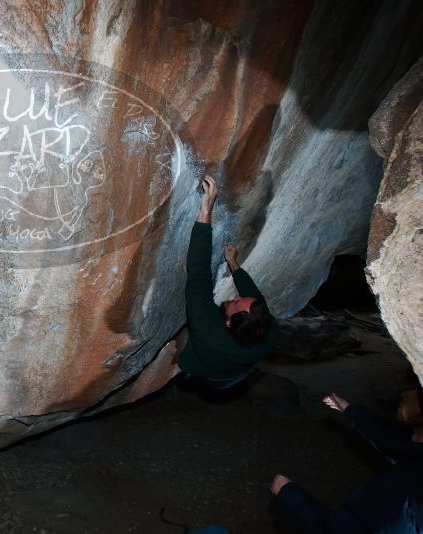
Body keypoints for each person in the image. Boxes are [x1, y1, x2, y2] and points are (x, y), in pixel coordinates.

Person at [271, 388, 423, 533]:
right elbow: (400, 444)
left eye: (418, 393)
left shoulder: (404, 494)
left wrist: (289, 494)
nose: (405, 393)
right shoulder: (416, 459)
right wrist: (352, 411)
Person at [176, 175, 278, 389]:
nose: (237, 296)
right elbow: (255, 299)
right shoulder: (268, 330)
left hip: (212, 374)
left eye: (235, 302)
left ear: (229, 323)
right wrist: (233, 264)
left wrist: (206, 210)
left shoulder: (207, 330)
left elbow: (198, 273)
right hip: (240, 367)